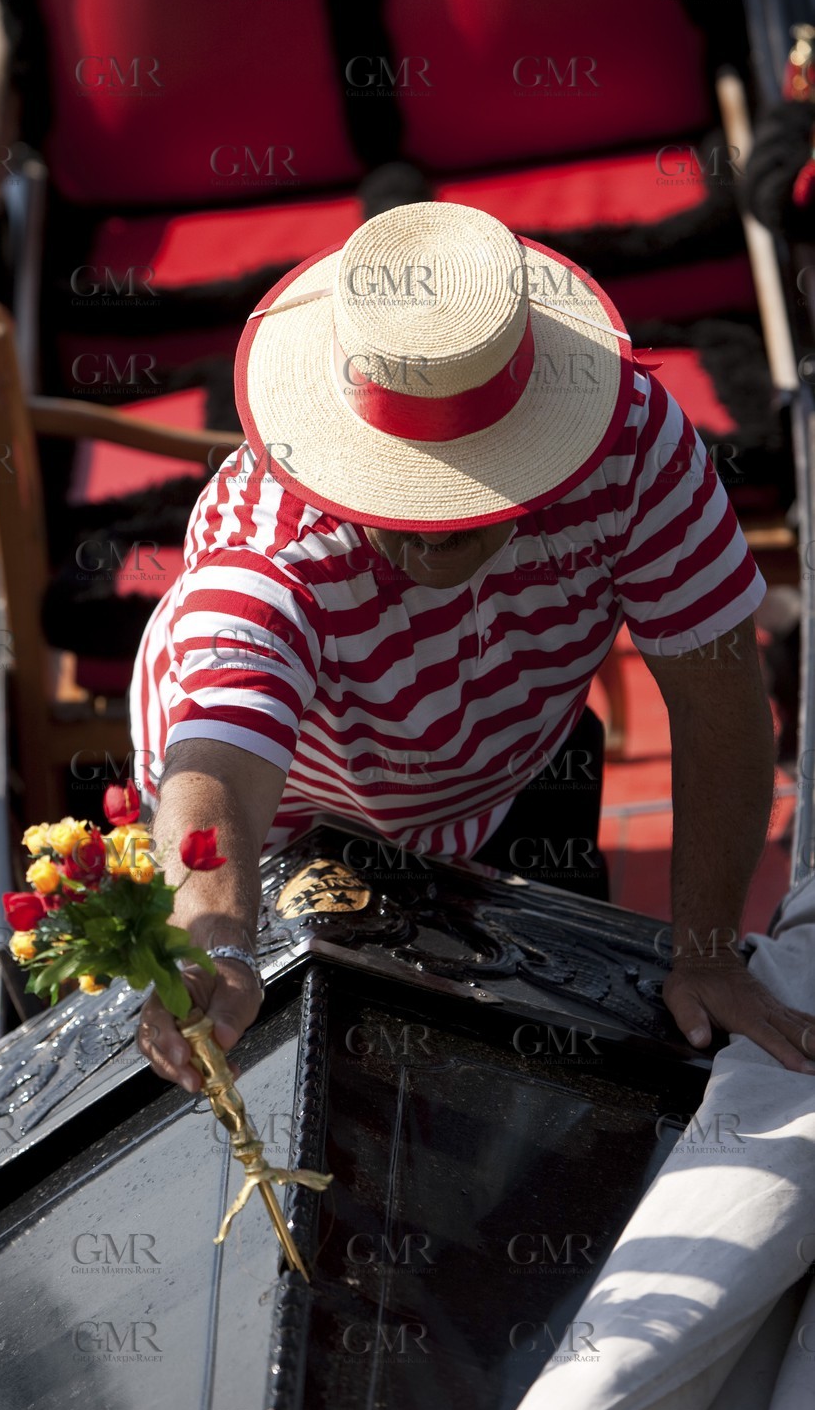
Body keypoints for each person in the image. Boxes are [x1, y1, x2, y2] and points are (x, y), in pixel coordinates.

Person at [132, 201, 815, 1089]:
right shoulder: (270, 551)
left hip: (512, 765)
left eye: (454, 515)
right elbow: (218, 766)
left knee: (577, 1064)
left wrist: (714, 955)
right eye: (393, 506)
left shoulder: (635, 442)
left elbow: (717, 692)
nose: (421, 545)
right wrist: (214, 939)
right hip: (292, 820)